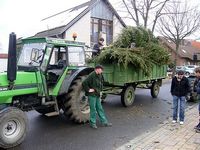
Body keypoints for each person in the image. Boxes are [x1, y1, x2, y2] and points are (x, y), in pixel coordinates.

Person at [82, 65, 112, 129]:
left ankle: (104, 122)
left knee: (99, 108)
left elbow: (101, 83)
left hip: (97, 94)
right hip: (92, 95)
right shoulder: (91, 75)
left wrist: (100, 91)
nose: (102, 71)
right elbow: (84, 83)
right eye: (101, 70)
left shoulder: (100, 75)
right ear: (97, 69)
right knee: (93, 109)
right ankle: (92, 123)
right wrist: (88, 90)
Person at [193, 67, 200, 133]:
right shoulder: (198, 79)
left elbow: (199, 90)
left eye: (196, 73)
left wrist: (196, 87)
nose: (195, 74)